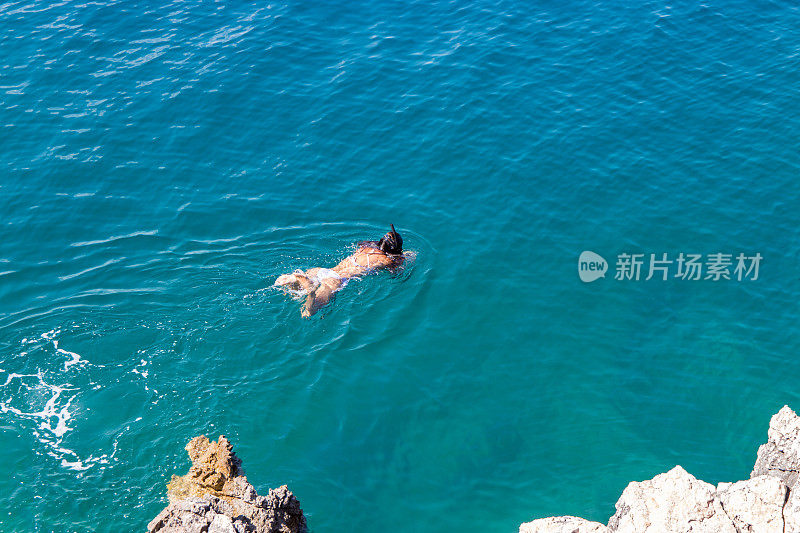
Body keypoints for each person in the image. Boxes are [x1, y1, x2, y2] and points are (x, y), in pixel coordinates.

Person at [274, 224, 411, 317]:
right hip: (335, 280)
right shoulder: (385, 260)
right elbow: (397, 272)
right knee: (307, 313)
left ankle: (299, 282)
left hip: (323, 271)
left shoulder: (366, 246)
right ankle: (310, 291)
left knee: (295, 288)